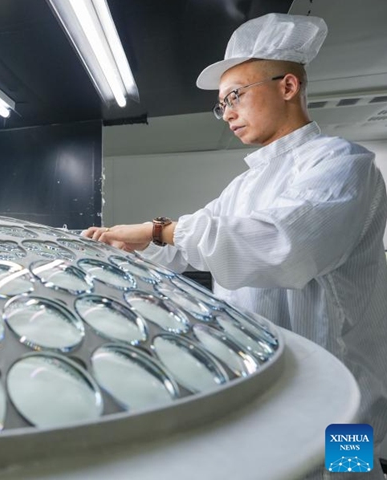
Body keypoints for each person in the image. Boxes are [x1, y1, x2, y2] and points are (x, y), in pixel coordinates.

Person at [84, 12, 387, 466]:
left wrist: (158, 231)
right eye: (221, 103)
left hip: (344, 400)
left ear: (287, 87)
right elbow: (196, 242)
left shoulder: (342, 165)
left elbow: (285, 246)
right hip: (274, 384)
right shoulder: (245, 185)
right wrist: (135, 246)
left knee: (344, 477)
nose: (226, 112)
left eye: (236, 96)